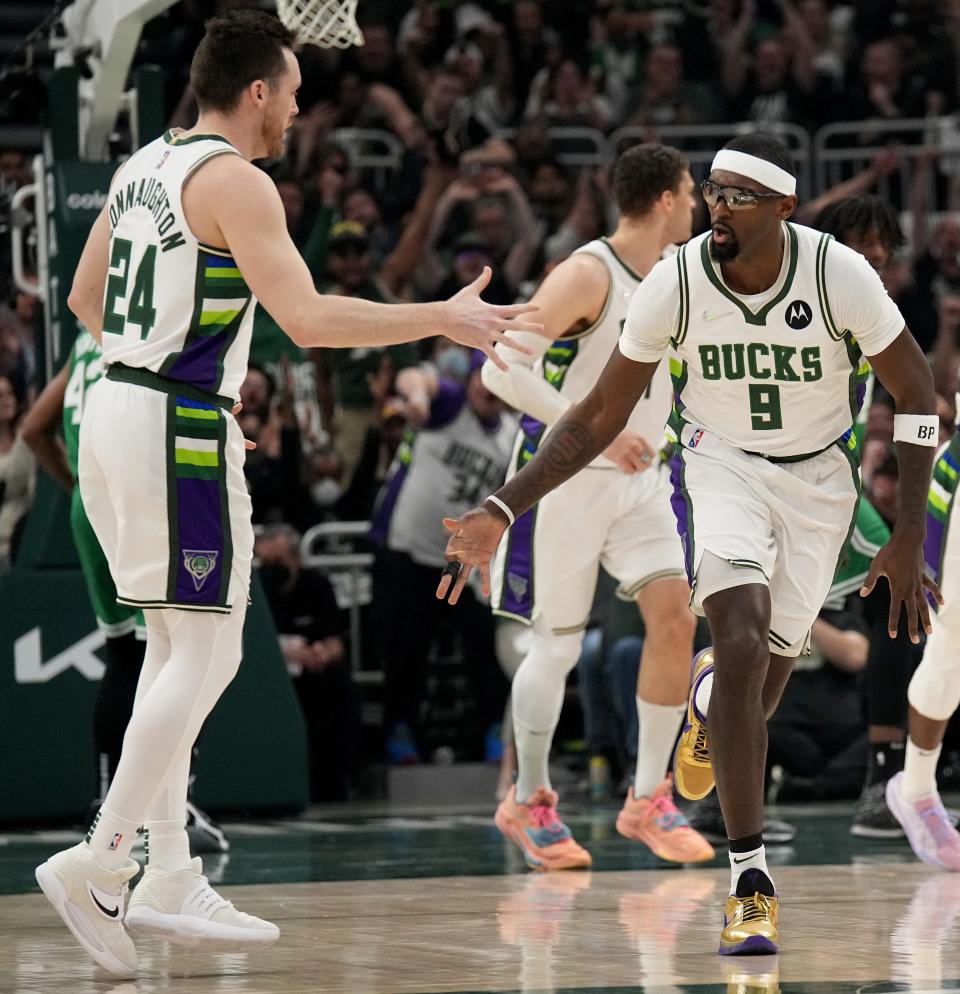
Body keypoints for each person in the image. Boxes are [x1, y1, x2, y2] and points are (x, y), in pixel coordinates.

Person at [33, 9, 541, 978]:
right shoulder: (237, 180)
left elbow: (85, 301)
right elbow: (306, 321)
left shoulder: (145, 164)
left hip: (113, 409)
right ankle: (103, 862)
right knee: (213, 646)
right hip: (175, 423)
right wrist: (444, 315)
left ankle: (170, 870)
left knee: (175, 645)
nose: (300, 110)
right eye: (295, 92)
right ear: (256, 90)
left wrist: (162, 350)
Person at [438, 133, 939, 957]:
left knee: (764, 681)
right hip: (720, 466)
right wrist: (503, 505)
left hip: (818, 484)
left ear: (783, 208)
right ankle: (751, 884)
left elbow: (915, 389)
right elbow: (596, 413)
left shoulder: (837, 274)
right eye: (712, 191)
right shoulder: (674, 280)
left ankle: (712, 711)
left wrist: (911, 530)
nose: (719, 207)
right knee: (736, 642)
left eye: (739, 196)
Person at [480, 142, 713, 868]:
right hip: (566, 476)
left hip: (643, 479)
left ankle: (647, 799)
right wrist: (589, 434)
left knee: (676, 622)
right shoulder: (588, 272)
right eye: (691, 191)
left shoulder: (678, 277)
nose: (700, 204)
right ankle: (528, 800)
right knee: (554, 647)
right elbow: (500, 368)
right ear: (669, 199)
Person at [21, 329, 229, 853]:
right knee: (184, 651)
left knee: (124, 655)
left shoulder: (86, 337)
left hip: (92, 503)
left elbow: (32, 428)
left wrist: (80, 487)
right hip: (142, 493)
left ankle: (107, 804)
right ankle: (160, 812)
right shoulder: (155, 325)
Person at [370, 350, 514, 763]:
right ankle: (400, 733)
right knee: (406, 651)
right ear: (470, 381)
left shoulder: (509, 435)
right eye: (482, 378)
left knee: (484, 651)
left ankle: (491, 732)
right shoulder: (451, 406)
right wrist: (416, 397)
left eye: (497, 381)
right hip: (411, 552)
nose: (487, 388)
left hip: (465, 563)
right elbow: (417, 376)